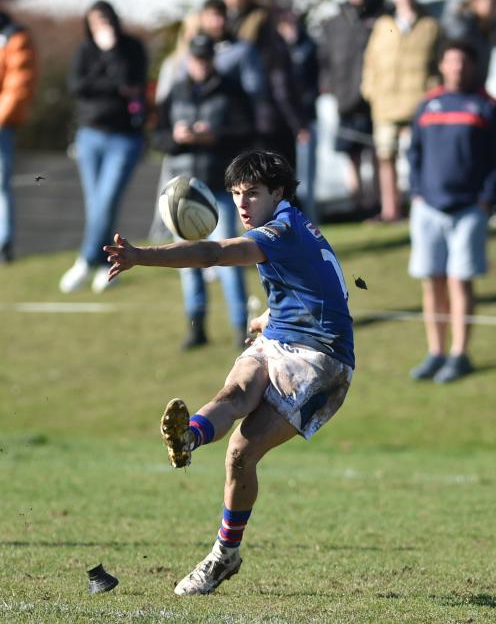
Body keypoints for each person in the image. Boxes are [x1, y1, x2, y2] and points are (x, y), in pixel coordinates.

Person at [104, 149, 354, 596]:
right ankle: (188, 437)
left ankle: (223, 555)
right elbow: (319, 287)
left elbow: (212, 253)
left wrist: (142, 255)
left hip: (321, 361)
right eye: (236, 193)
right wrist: (268, 321)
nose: (241, 203)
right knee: (237, 391)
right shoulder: (292, 225)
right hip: (280, 337)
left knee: (241, 452)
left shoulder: (279, 230)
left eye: (252, 193)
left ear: (278, 192)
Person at [152, 34, 255, 349]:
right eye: (196, 59)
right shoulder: (176, 91)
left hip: (218, 186)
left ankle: (241, 327)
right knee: (186, 261)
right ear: (188, 60)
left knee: (228, 257)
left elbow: (247, 131)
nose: (201, 64)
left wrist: (215, 137)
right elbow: (156, 136)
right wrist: (176, 138)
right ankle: (196, 327)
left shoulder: (230, 90)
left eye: (206, 58)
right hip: (182, 193)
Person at [408, 40, 495, 383]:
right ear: (442, 65)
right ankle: (436, 352)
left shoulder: (486, 106)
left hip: (469, 210)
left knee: (460, 281)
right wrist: (416, 193)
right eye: (451, 61)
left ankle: (460, 353)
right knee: (433, 281)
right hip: (428, 208)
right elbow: (414, 153)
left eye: (463, 61)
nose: (457, 67)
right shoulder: (427, 105)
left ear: (472, 66)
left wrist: (486, 200)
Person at [59, 0, 147, 294]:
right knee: (96, 204)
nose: (101, 28)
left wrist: (111, 53)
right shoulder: (85, 50)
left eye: (105, 21)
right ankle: (105, 264)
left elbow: (129, 83)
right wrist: (105, 72)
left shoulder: (131, 48)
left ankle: (86, 259)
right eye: (95, 23)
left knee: (105, 202)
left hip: (123, 137)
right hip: (90, 135)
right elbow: (77, 87)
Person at [362, 0, 440, 222]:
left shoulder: (430, 25)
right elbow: (370, 61)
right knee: (385, 156)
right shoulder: (383, 24)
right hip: (385, 102)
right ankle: (390, 209)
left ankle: (421, 203)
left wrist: (432, 92)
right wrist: (370, 89)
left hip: (419, 101)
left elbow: (439, 63)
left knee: (420, 156)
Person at [222, 0, 307, 166]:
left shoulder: (262, 19)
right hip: (235, 118)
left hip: (263, 117)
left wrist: (293, 119)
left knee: (272, 183)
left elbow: (278, 73)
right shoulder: (224, 20)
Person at [319, 0, 384, 213]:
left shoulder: (381, 16)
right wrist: (330, 87)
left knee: (377, 153)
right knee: (352, 155)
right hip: (345, 99)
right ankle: (358, 206)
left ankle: (377, 203)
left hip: (374, 99)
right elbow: (324, 59)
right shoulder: (335, 22)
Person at [0, 10, 37, 264]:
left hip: (2, 125)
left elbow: (18, 84)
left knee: (1, 185)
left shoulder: (15, 37)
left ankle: (4, 243)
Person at [277, 9, 319, 222]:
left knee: (305, 180)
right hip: (283, 127)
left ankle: (309, 223)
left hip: (304, 122)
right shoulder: (275, 53)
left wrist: (301, 122)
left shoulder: (308, 46)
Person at [441, 0, 496, 88]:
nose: (494, 7)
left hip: (477, 89)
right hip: (458, 89)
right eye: (492, 2)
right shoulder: (461, 27)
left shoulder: (487, 28)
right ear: (476, 2)